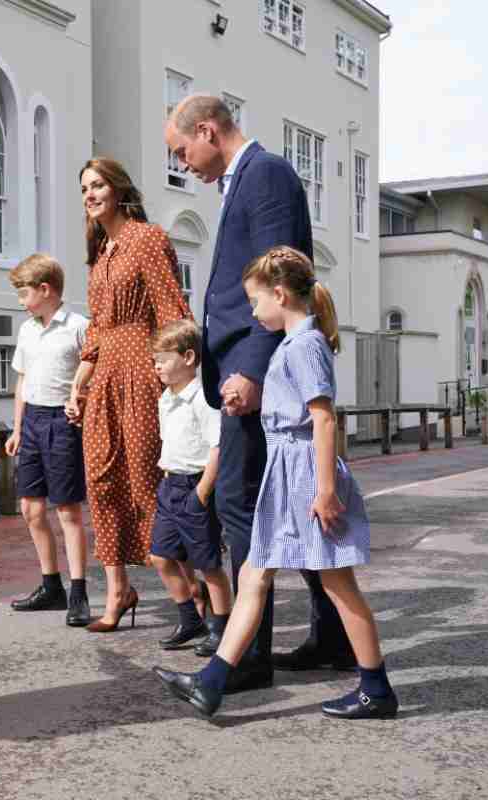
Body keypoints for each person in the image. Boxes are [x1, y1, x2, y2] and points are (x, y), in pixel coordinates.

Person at [158, 95, 354, 692]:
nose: (183, 162)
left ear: (209, 131)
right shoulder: (240, 180)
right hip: (241, 370)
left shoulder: (266, 174)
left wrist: (250, 367)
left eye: (182, 150)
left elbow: (282, 277)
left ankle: (249, 657)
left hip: (255, 373)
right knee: (287, 506)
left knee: (243, 507)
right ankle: (333, 637)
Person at [153, 246, 398, 720]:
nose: (251, 310)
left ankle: (376, 688)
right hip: (285, 472)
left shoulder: (305, 345)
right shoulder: (293, 344)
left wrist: (325, 490)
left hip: (305, 474)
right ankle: (212, 682)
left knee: (338, 583)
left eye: (255, 300)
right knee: (253, 575)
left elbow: (323, 420)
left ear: (280, 294)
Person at [66, 158, 191, 633]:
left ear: (118, 188)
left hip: (142, 367)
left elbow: (172, 310)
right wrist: (81, 376)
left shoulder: (147, 238)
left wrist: (176, 378)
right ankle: (118, 590)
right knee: (100, 479)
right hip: (104, 375)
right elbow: (97, 324)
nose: (90, 194)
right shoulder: (101, 252)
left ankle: (194, 590)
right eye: (84, 188)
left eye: (97, 185)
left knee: (147, 481)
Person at [5, 254, 91, 627]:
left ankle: (79, 592)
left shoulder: (78, 326)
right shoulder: (27, 330)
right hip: (34, 422)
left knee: (68, 511)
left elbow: (93, 375)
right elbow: (22, 382)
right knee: (30, 509)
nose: (21, 301)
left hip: (62, 422)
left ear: (46, 289)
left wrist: (79, 402)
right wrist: (17, 428)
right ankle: (50, 585)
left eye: (24, 293)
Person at [149, 321, 232, 654]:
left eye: (163, 359)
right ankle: (189, 618)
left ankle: (222, 626)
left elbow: (217, 447)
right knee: (160, 556)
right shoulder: (166, 398)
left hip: (195, 486)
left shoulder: (203, 398)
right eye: (155, 359)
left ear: (187, 357)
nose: (157, 365)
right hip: (170, 485)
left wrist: (202, 493)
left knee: (208, 564)